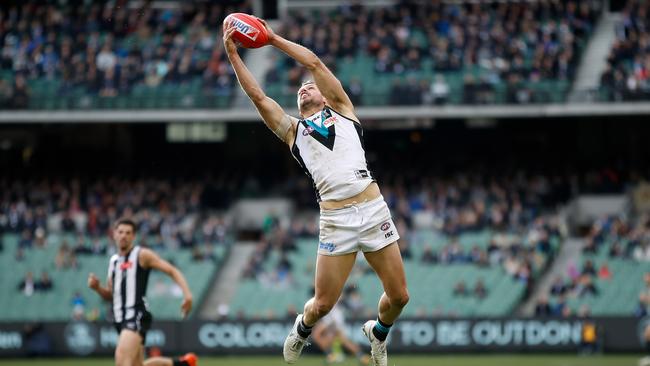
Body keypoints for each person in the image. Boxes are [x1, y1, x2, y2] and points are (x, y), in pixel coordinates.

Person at [223, 17, 410, 366]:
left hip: (372, 210)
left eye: (309, 87)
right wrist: (234, 54)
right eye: (299, 90)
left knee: (399, 296)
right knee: (322, 305)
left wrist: (273, 39)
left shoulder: (343, 111)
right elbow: (258, 96)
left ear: (325, 95)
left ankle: (378, 334)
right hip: (336, 219)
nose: (303, 88)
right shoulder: (294, 132)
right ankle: (301, 329)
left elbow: (313, 63)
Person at [87, 219, 197, 366]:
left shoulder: (141, 255)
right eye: (120, 232)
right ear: (114, 235)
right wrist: (97, 288)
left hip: (136, 314)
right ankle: (183, 364)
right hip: (119, 318)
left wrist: (187, 295)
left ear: (133, 236)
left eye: (128, 233)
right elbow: (113, 295)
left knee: (121, 360)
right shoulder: (113, 262)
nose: (124, 236)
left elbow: (172, 270)